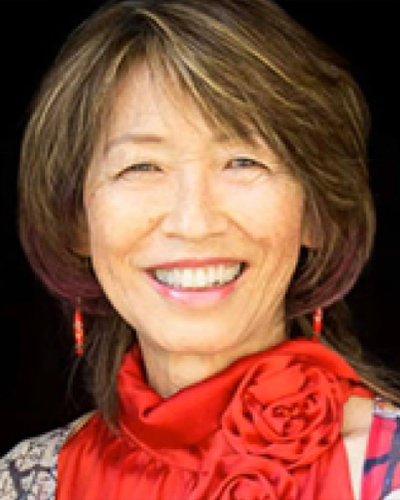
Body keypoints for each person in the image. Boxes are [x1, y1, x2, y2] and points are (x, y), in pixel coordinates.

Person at [1, 0, 399, 498]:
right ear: (77, 221)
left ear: (316, 213)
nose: (193, 222)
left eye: (243, 161)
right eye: (141, 167)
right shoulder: (27, 482)